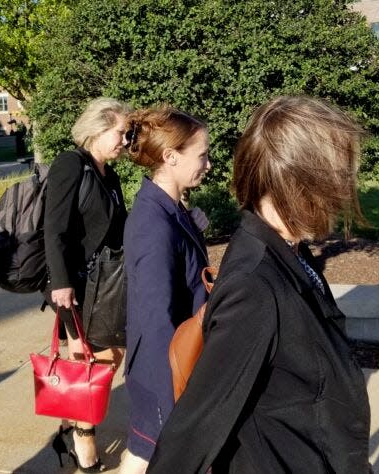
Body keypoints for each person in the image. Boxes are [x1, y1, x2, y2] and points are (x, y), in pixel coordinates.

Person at [148, 96, 372, 473]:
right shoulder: (254, 286)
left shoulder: (288, 247)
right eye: (336, 175)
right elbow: (196, 426)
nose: (344, 188)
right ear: (297, 179)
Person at [121, 106, 211, 473]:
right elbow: (155, 317)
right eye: (202, 155)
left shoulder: (170, 209)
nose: (208, 163)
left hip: (174, 361)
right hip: (165, 367)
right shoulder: (153, 222)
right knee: (147, 456)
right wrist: (173, 389)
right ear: (171, 157)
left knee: (143, 455)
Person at [43, 97, 131, 472]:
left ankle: (68, 432)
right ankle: (85, 454)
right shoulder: (70, 164)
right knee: (87, 367)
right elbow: (55, 227)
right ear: (98, 128)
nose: (127, 141)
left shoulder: (107, 175)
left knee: (100, 361)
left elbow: (119, 228)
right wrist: (60, 283)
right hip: (74, 286)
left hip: (102, 286)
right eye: (122, 133)